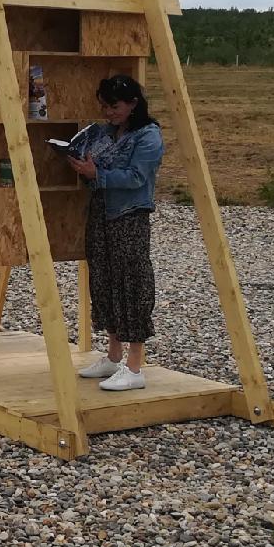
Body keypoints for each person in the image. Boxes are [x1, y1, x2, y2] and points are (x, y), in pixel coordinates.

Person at [66, 74, 165, 392]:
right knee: (104, 279)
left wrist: (98, 174)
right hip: (101, 212)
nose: (109, 113)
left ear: (133, 104)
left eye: (115, 107)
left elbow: (137, 177)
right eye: (105, 107)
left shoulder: (148, 136)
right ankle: (112, 354)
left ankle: (135, 366)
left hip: (129, 216)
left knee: (131, 282)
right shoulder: (106, 132)